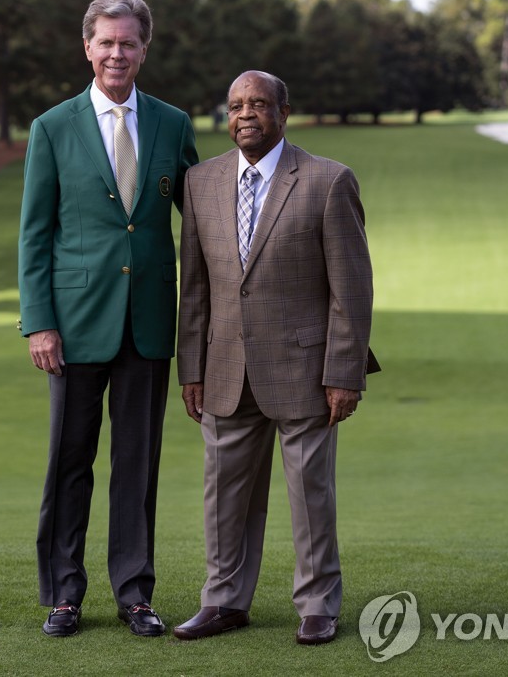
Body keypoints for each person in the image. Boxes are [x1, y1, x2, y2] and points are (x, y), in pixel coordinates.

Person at [17, 0, 198, 638]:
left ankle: (135, 594)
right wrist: (38, 322)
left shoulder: (174, 125)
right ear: (87, 47)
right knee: (69, 462)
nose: (117, 53)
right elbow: (34, 235)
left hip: (147, 324)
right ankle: (64, 594)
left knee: (137, 465)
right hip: (73, 326)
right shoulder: (53, 127)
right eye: (106, 42)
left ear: (144, 49)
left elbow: (200, 222)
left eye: (129, 43)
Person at [173, 70, 374, 646]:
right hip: (224, 371)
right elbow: (197, 288)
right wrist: (191, 368)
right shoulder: (200, 182)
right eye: (236, 106)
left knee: (311, 495)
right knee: (222, 497)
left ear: (284, 112)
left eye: (258, 104)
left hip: (306, 374)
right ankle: (223, 600)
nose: (245, 115)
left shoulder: (328, 181)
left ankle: (317, 605)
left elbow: (351, 290)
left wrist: (344, 372)